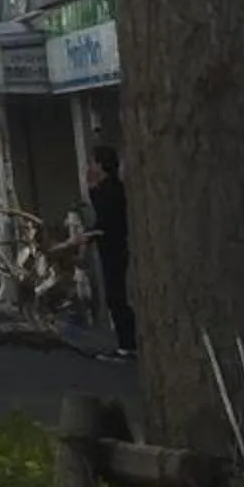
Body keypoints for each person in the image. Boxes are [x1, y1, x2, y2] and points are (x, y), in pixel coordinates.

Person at [87, 144, 135, 358]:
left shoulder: (109, 190)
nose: (90, 166)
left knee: (116, 296)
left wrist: (92, 189)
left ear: (100, 164)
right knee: (116, 294)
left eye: (93, 162)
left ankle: (128, 344)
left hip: (113, 246)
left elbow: (104, 218)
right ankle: (126, 342)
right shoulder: (113, 187)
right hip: (113, 244)